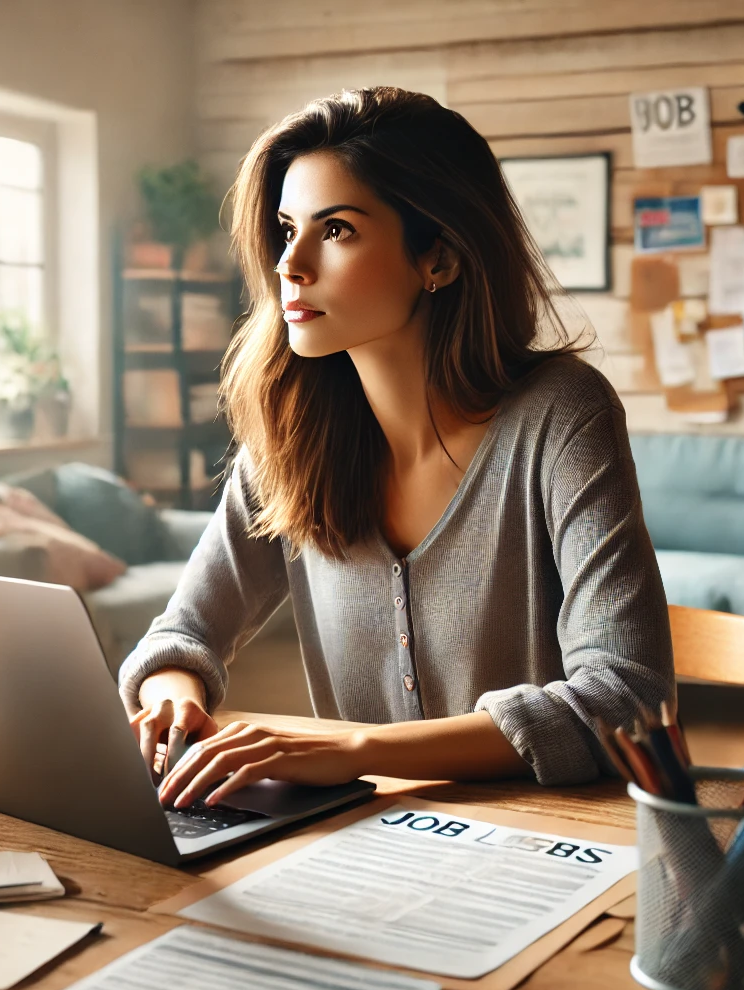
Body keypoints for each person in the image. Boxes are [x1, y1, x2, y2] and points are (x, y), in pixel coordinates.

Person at [121, 86, 672, 810]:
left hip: (549, 842)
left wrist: (353, 750)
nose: (291, 265)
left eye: (338, 230)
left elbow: (624, 698)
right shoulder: (289, 438)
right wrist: (172, 695)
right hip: (363, 845)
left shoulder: (561, 413)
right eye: (287, 229)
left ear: (437, 258)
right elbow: (184, 632)